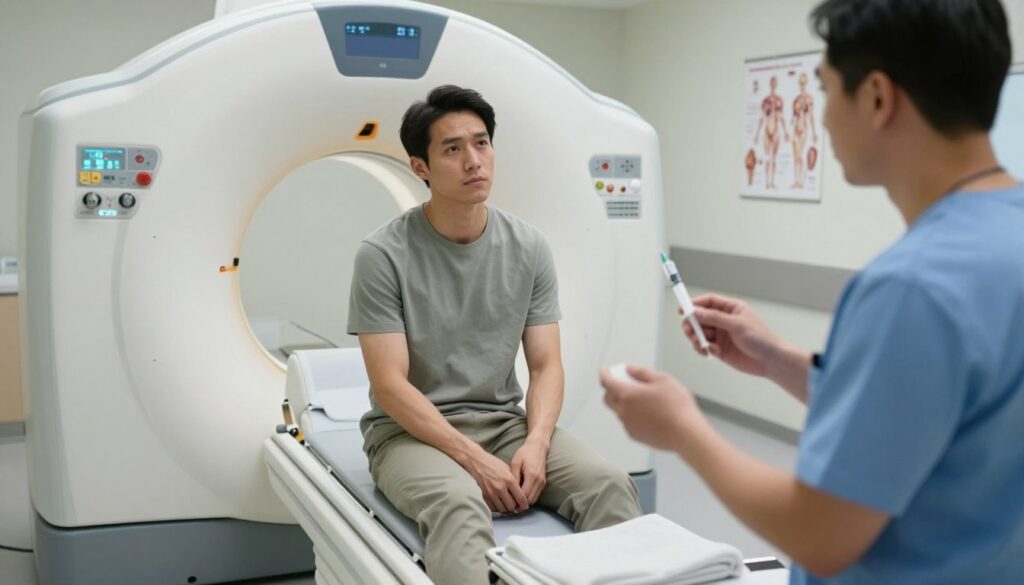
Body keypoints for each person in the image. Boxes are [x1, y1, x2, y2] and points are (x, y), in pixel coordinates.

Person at [602, 1, 1022, 583]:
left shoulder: (912, 288)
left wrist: (682, 428)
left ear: (877, 98)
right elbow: (931, 412)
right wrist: (776, 358)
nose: (821, 118)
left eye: (824, 90)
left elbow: (821, 534)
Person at [348, 85, 642, 585]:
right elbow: (391, 387)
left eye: (481, 143)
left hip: (504, 425)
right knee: (460, 504)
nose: (473, 160)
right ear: (420, 167)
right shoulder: (382, 255)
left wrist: (536, 443)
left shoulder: (528, 247)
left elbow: (546, 365)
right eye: (452, 148)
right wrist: (474, 461)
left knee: (609, 484)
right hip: (408, 436)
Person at [753, 75, 788, 190]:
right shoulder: (766, 100)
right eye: (772, 82)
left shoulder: (779, 100)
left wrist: (785, 132)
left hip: (776, 132)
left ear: (776, 84)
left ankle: (772, 182)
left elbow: (781, 117)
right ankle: (767, 183)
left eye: (775, 82)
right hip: (767, 131)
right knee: (768, 158)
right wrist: (757, 134)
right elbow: (762, 117)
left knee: (774, 159)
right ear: (770, 84)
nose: (773, 84)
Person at [789, 72, 818, 189]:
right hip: (795, 129)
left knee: (799, 155)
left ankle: (800, 181)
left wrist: (814, 132)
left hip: (804, 129)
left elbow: (811, 116)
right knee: (796, 156)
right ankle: (796, 181)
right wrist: (788, 129)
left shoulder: (809, 99)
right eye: (800, 84)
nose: (802, 86)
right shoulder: (796, 99)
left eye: (804, 84)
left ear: (806, 84)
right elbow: (793, 117)